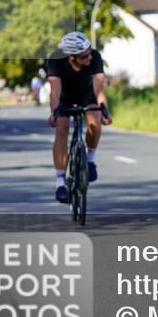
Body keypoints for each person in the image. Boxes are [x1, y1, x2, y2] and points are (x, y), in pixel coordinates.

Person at [46, 31, 111, 203]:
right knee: (61, 128)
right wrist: (54, 112)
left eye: (90, 53)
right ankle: (60, 183)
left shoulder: (95, 56)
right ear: (71, 57)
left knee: (95, 121)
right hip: (65, 96)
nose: (89, 58)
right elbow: (55, 91)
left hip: (87, 94)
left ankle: (90, 160)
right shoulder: (56, 60)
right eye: (84, 57)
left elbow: (99, 89)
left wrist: (104, 109)